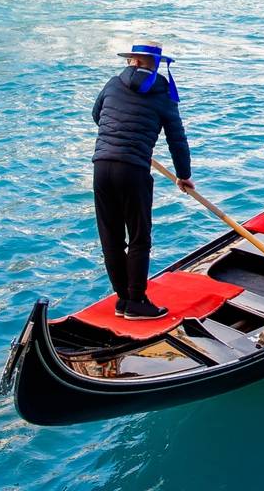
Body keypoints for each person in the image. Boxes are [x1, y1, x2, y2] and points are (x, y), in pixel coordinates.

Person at [91, 40, 193, 320]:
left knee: (110, 237)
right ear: (156, 64)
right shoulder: (163, 93)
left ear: (133, 61)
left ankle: (123, 300)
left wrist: (119, 138)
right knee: (138, 236)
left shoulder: (113, 84)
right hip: (133, 170)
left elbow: (97, 115)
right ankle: (135, 301)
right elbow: (176, 139)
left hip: (101, 166)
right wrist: (184, 175)